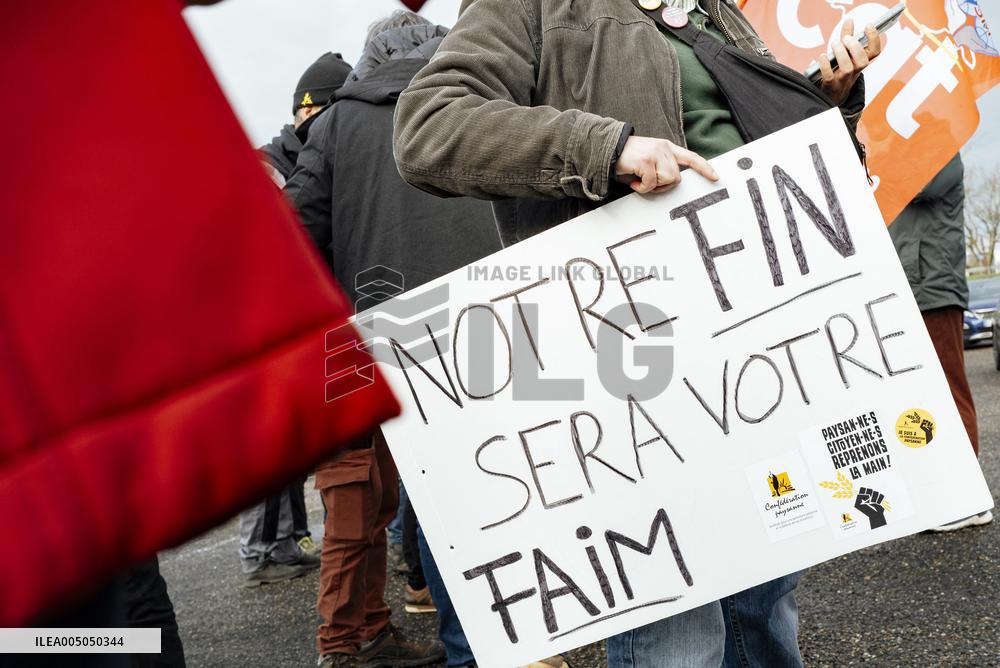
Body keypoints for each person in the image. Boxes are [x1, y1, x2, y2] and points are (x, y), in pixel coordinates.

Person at [393, 1, 882, 665]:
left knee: (765, 613)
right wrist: (608, 148)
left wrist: (827, 99)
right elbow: (428, 127)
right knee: (676, 638)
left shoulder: (717, 12)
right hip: (633, 365)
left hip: (751, 364)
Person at [285, 10, 502, 667]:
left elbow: (293, 233)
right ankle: (488, 638)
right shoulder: (474, 106)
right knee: (480, 488)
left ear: (367, 62)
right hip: (480, 333)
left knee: (361, 498)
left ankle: (357, 638)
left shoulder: (335, 126)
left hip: (363, 342)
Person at [237, 53, 354, 588]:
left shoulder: (318, 156)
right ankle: (262, 551)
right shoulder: (269, 163)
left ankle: (285, 542)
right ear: (312, 112)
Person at [889, 154, 993, 532]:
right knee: (921, 396)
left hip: (935, 286)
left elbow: (918, 185)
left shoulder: (940, 150)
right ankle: (940, 494)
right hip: (910, 285)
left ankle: (971, 501)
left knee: (950, 389)